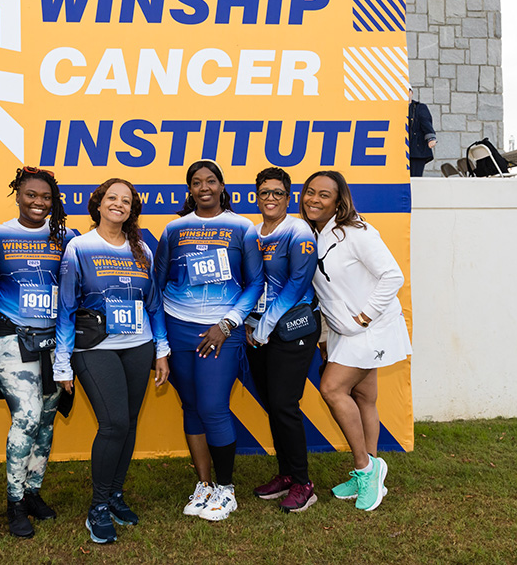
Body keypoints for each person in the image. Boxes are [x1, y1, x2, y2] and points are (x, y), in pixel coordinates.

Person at [53, 178, 170, 544]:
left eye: (126, 200)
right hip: (95, 347)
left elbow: (153, 304)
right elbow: (67, 307)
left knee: (129, 423)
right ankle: (98, 507)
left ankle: (116, 495)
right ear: (99, 204)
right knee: (113, 423)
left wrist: (162, 349)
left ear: (132, 209)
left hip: (139, 344)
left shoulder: (143, 251)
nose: (119, 204)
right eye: (112, 198)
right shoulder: (80, 247)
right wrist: (61, 361)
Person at [154, 159, 264, 522]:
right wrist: (161, 340)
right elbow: (158, 283)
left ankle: (226, 489)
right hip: (178, 327)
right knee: (191, 407)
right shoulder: (174, 229)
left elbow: (255, 284)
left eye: (211, 181)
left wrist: (228, 323)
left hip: (221, 331)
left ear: (221, 186)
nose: (204, 187)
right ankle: (203, 485)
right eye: (197, 182)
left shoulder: (242, 227)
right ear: (190, 190)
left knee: (214, 407)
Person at [300, 170, 411, 512]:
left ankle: (366, 468)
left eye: (323, 195)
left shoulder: (357, 232)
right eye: (309, 192)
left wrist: (365, 316)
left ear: (338, 201)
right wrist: (327, 334)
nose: (314, 199)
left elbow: (392, 275)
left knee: (333, 389)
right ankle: (372, 465)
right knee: (364, 396)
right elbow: (327, 292)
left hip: (371, 327)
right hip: (342, 332)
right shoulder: (312, 233)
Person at [0, 167, 76, 538]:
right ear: (17, 195)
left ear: (55, 202)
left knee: (47, 420)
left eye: (46, 197)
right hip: (10, 337)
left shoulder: (67, 237)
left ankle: (33, 491)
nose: (38, 202)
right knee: (28, 414)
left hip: (54, 342)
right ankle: (14, 501)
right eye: (31, 195)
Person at [244, 167, 321, 513]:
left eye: (277, 192)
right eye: (264, 192)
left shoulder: (298, 230)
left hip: (292, 328)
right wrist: (250, 322)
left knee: (285, 405)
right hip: (259, 332)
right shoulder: (253, 232)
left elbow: (298, 283)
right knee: (273, 404)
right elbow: (253, 283)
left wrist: (267, 323)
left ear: (287, 198)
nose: (270, 198)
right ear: (256, 196)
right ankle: (286, 475)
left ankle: (304, 482)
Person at [408, 87, 437, 177]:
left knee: (415, 178)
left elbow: (426, 123)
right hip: (400, 150)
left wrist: (431, 138)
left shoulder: (419, 107)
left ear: (411, 93)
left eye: (407, 91)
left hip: (416, 149)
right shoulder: (396, 108)